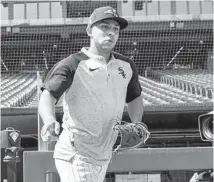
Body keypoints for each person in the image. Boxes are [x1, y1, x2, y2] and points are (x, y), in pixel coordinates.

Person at [39, 6, 144, 182]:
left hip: (103, 154)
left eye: (115, 29)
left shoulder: (126, 65)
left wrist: (137, 123)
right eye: (104, 27)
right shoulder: (72, 64)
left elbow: (135, 97)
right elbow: (48, 95)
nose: (111, 33)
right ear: (89, 30)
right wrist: (49, 120)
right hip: (76, 153)